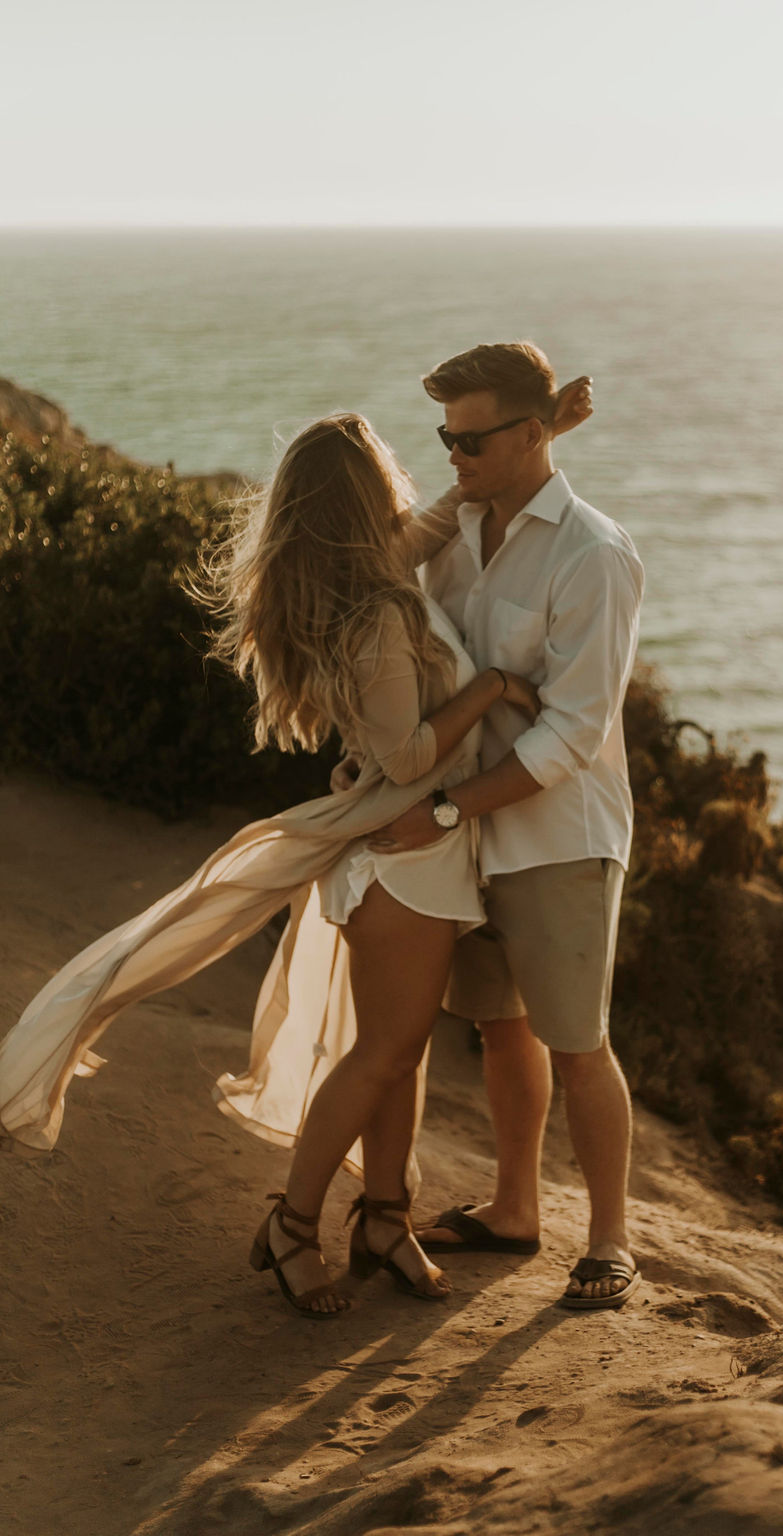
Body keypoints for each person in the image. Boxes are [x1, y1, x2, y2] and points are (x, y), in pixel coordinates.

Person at [0, 390, 590, 1321]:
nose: (413, 485)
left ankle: (386, 1217)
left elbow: (448, 516)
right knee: (382, 1054)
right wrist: (487, 690)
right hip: (405, 857)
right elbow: (402, 756)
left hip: (407, 852)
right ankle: (292, 1221)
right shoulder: (376, 614)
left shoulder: (376, 579)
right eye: (393, 476)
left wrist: (538, 429)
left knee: (399, 1059)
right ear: (366, 500)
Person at [367, 342, 645, 1311]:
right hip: (466, 830)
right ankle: (515, 1207)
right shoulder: (458, 530)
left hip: (556, 832)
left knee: (578, 1042)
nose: (452, 455)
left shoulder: (593, 553)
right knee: (499, 1027)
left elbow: (572, 734)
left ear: (530, 433)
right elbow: (381, 565)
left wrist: (441, 810)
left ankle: (610, 1242)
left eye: (472, 438)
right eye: (445, 438)